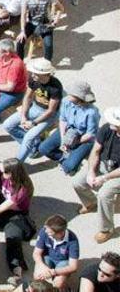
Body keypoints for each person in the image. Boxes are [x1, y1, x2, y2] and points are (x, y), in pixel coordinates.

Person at [0, 158, 37, 285]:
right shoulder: (3, 174)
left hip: (15, 215)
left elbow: (1, 208)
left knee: (13, 238)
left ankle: (16, 271)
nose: (2, 174)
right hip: (2, 203)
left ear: (12, 174)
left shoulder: (23, 189)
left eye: (5, 172)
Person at [73, 106, 120, 244]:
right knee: (77, 182)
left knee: (104, 194)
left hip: (117, 173)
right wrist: (91, 172)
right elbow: (96, 151)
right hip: (103, 165)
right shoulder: (107, 129)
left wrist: (104, 178)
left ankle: (106, 229)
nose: (111, 124)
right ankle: (90, 202)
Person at [1, 58, 62, 161]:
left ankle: (16, 166)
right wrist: (24, 115)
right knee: (8, 125)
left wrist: (33, 123)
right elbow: (28, 97)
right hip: (34, 108)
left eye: (36, 73)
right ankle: (34, 146)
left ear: (45, 74)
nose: (32, 75)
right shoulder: (33, 80)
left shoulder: (55, 87)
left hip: (48, 115)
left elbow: (51, 110)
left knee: (28, 137)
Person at [38, 81, 101, 175]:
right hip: (68, 131)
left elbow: (90, 134)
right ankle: (64, 158)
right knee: (43, 148)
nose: (68, 95)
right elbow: (63, 119)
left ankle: (70, 163)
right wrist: (64, 139)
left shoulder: (91, 112)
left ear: (79, 97)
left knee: (68, 167)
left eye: (71, 94)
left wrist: (73, 143)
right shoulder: (66, 101)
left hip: (84, 138)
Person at [32, 215, 80, 290]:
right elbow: (36, 253)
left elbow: (73, 266)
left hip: (63, 261)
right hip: (47, 257)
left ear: (60, 233)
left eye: (50, 232)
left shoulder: (72, 240)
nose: (46, 231)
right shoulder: (44, 231)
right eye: (46, 228)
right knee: (37, 276)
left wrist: (53, 272)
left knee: (58, 284)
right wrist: (42, 266)